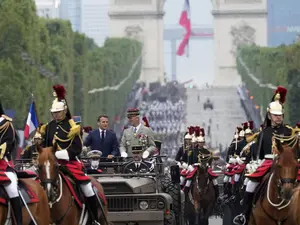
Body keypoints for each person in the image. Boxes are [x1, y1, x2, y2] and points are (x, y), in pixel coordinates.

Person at [41, 84, 101, 224]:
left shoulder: (72, 126)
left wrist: (62, 154)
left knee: (87, 188)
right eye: (54, 113)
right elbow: (45, 145)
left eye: (58, 112)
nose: (55, 115)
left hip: (69, 163)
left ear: (64, 111)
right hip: (52, 164)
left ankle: (94, 219)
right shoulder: (49, 127)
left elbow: (77, 148)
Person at [234, 86, 292, 225]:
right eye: (275, 115)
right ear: (269, 115)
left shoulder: (289, 133)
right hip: (267, 163)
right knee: (250, 184)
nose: (278, 118)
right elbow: (258, 155)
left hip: (285, 165)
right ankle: (245, 215)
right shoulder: (263, 133)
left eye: (280, 115)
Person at [0, 102, 22, 224]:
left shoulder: (6, 124)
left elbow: (7, 145)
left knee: (12, 188)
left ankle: (18, 221)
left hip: (2, 165)